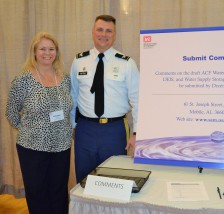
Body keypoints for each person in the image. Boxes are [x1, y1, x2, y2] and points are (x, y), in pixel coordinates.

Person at [6, 32, 72, 214]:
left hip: (62, 145)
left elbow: (68, 108)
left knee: (59, 192)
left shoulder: (64, 78)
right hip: (32, 147)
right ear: (34, 52)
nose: (47, 53)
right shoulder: (23, 80)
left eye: (51, 49)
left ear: (56, 52)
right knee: (38, 193)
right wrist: (30, 130)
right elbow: (11, 112)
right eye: (42, 48)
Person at [70, 15, 139, 183]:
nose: (104, 34)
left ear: (114, 35)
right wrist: (74, 126)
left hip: (114, 130)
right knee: (84, 180)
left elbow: (138, 100)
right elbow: (73, 96)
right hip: (85, 129)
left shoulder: (126, 63)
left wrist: (136, 133)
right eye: (100, 29)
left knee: (114, 180)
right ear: (93, 32)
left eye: (109, 31)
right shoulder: (79, 61)